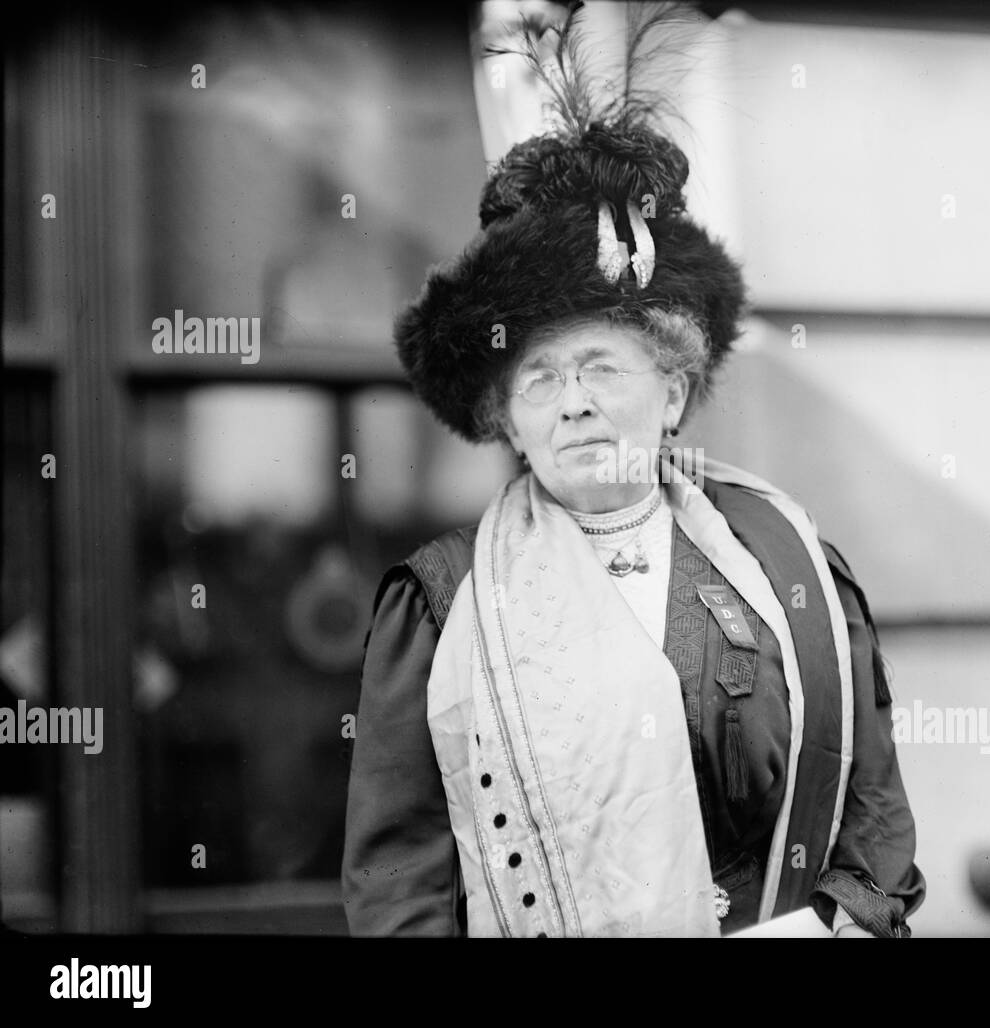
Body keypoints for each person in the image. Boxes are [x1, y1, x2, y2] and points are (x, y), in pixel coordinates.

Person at [342, 2, 924, 938]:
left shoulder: (790, 566)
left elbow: (876, 823)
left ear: (672, 393)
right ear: (506, 420)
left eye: (602, 368)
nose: (572, 402)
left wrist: (821, 928)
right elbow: (397, 888)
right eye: (539, 379)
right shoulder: (440, 603)